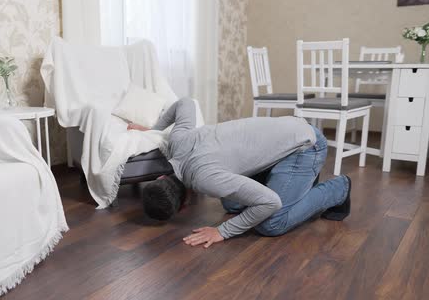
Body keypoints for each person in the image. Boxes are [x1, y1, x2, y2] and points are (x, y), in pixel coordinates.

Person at [130, 98, 351, 248]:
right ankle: (303, 183)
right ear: (161, 177)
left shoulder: (205, 179)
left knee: (271, 224)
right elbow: (185, 102)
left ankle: (339, 189)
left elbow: (270, 202)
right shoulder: (177, 140)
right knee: (232, 204)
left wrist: (222, 232)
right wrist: (155, 131)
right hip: (290, 129)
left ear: (184, 205)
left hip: (306, 146)